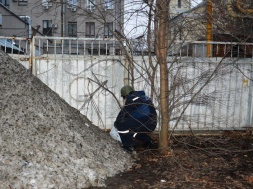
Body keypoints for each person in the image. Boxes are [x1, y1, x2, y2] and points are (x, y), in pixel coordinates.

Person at [114, 85, 157, 152]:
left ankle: (128, 146)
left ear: (126, 95)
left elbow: (124, 113)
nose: (124, 99)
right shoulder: (143, 97)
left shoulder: (132, 99)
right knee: (129, 128)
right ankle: (148, 141)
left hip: (145, 122)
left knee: (120, 123)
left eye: (124, 97)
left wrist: (116, 123)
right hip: (152, 123)